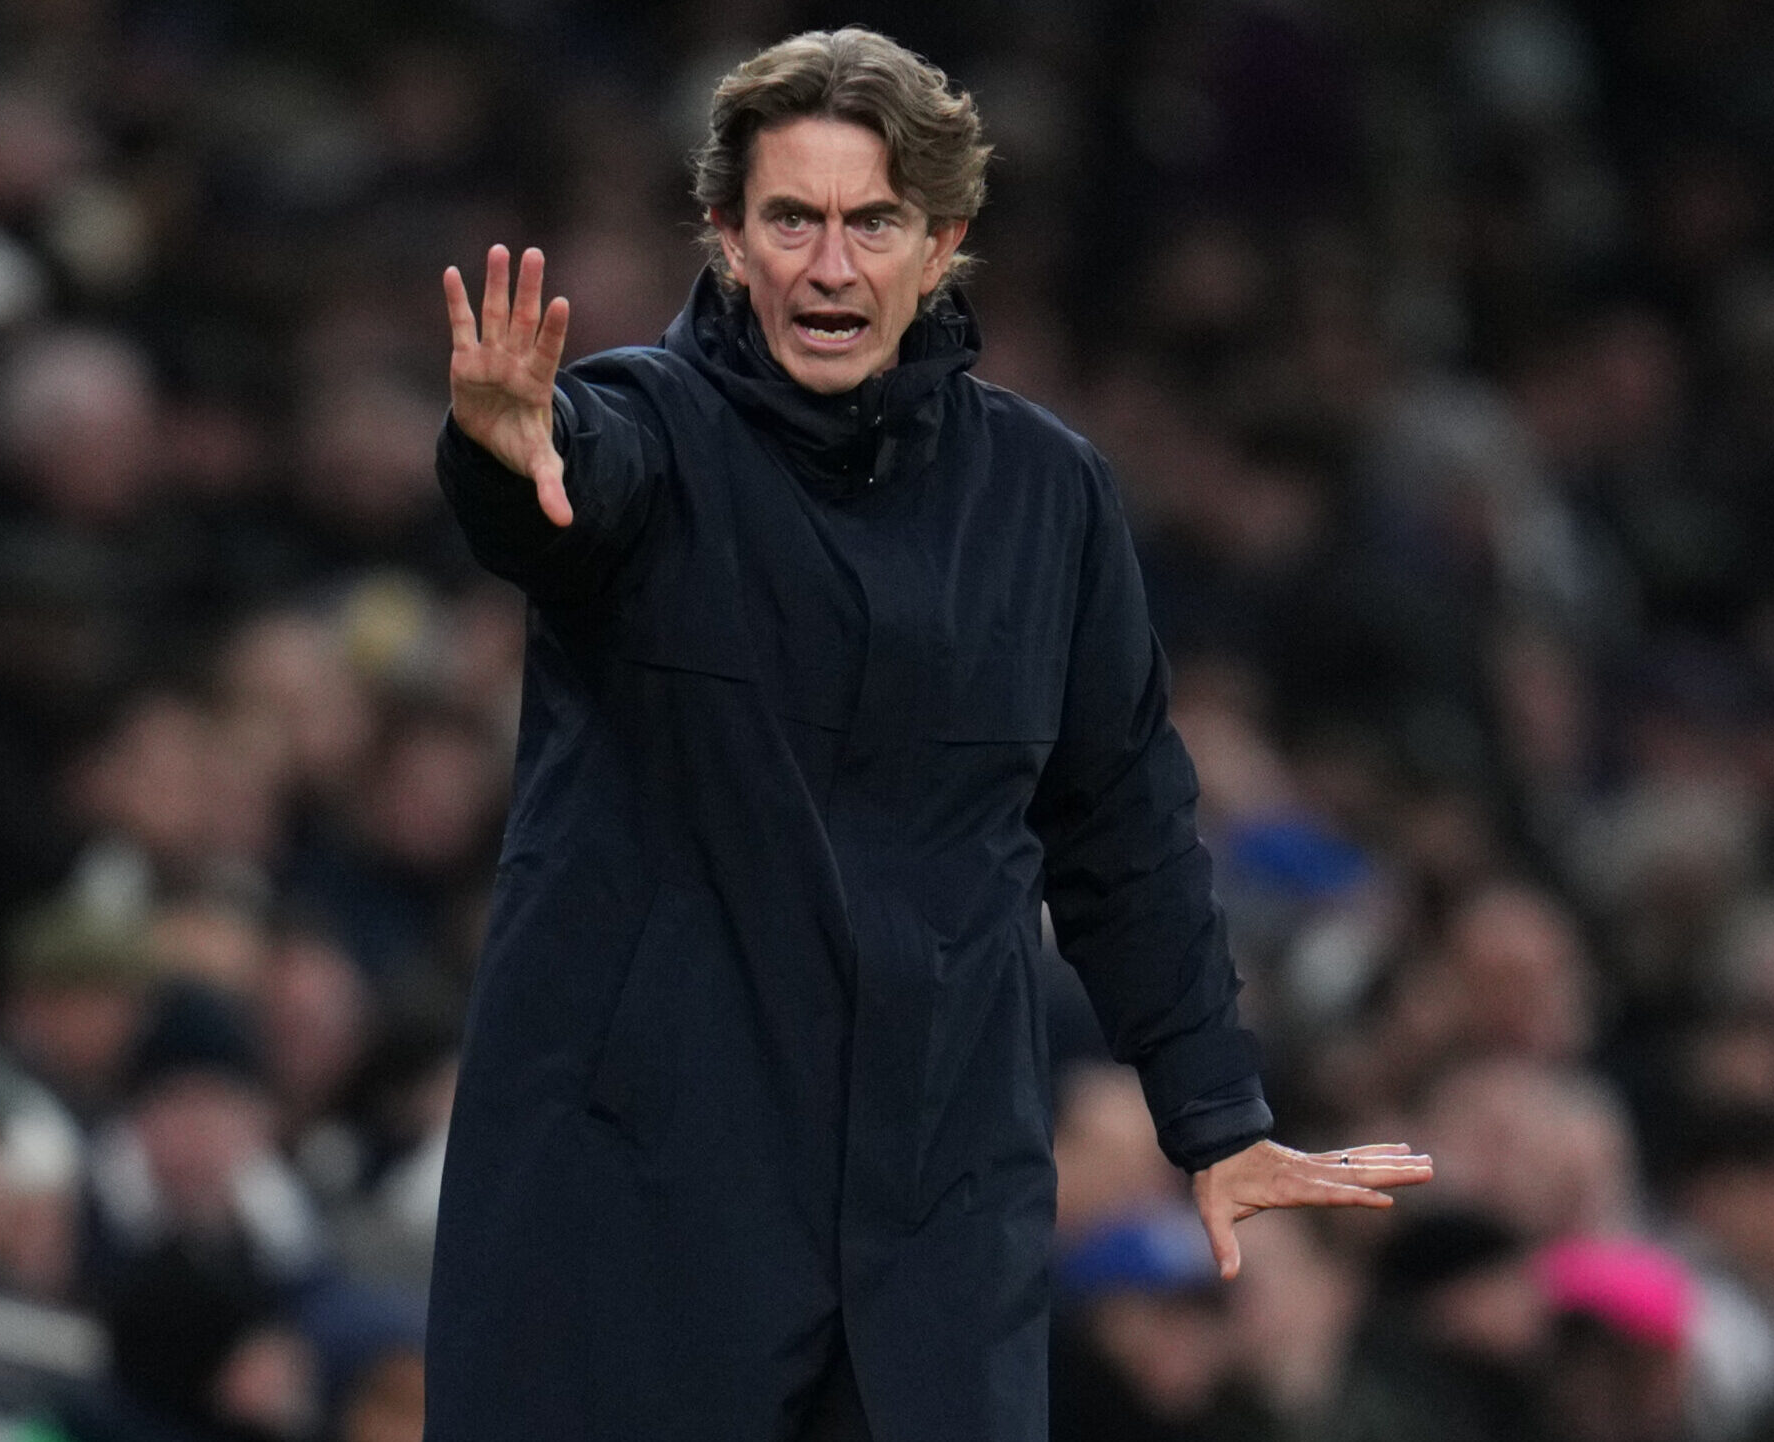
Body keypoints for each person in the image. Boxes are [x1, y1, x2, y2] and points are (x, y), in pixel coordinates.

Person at [427, 28, 1431, 1442]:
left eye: (872, 221)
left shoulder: (1048, 495)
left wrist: (1213, 1111)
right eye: (791, 218)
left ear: (942, 241)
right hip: (641, 1193)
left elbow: (1124, 825)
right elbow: (562, 498)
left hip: (935, 1210)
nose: (829, 265)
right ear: (725, 234)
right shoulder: (638, 430)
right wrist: (503, 453)